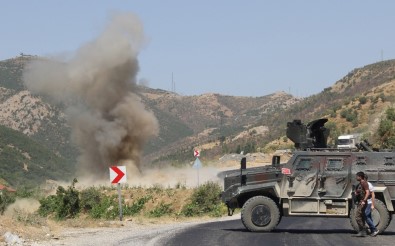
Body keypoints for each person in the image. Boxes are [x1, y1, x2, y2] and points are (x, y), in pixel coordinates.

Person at [354, 171, 370, 237]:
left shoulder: (364, 183)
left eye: (357, 176)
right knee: (361, 217)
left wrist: (364, 201)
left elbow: (367, 192)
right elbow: (359, 191)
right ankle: (363, 231)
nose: (356, 177)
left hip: (362, 202)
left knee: (357, 216)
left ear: (360, 177)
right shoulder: (360, 184)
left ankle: (363, 229)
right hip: (360, 202)